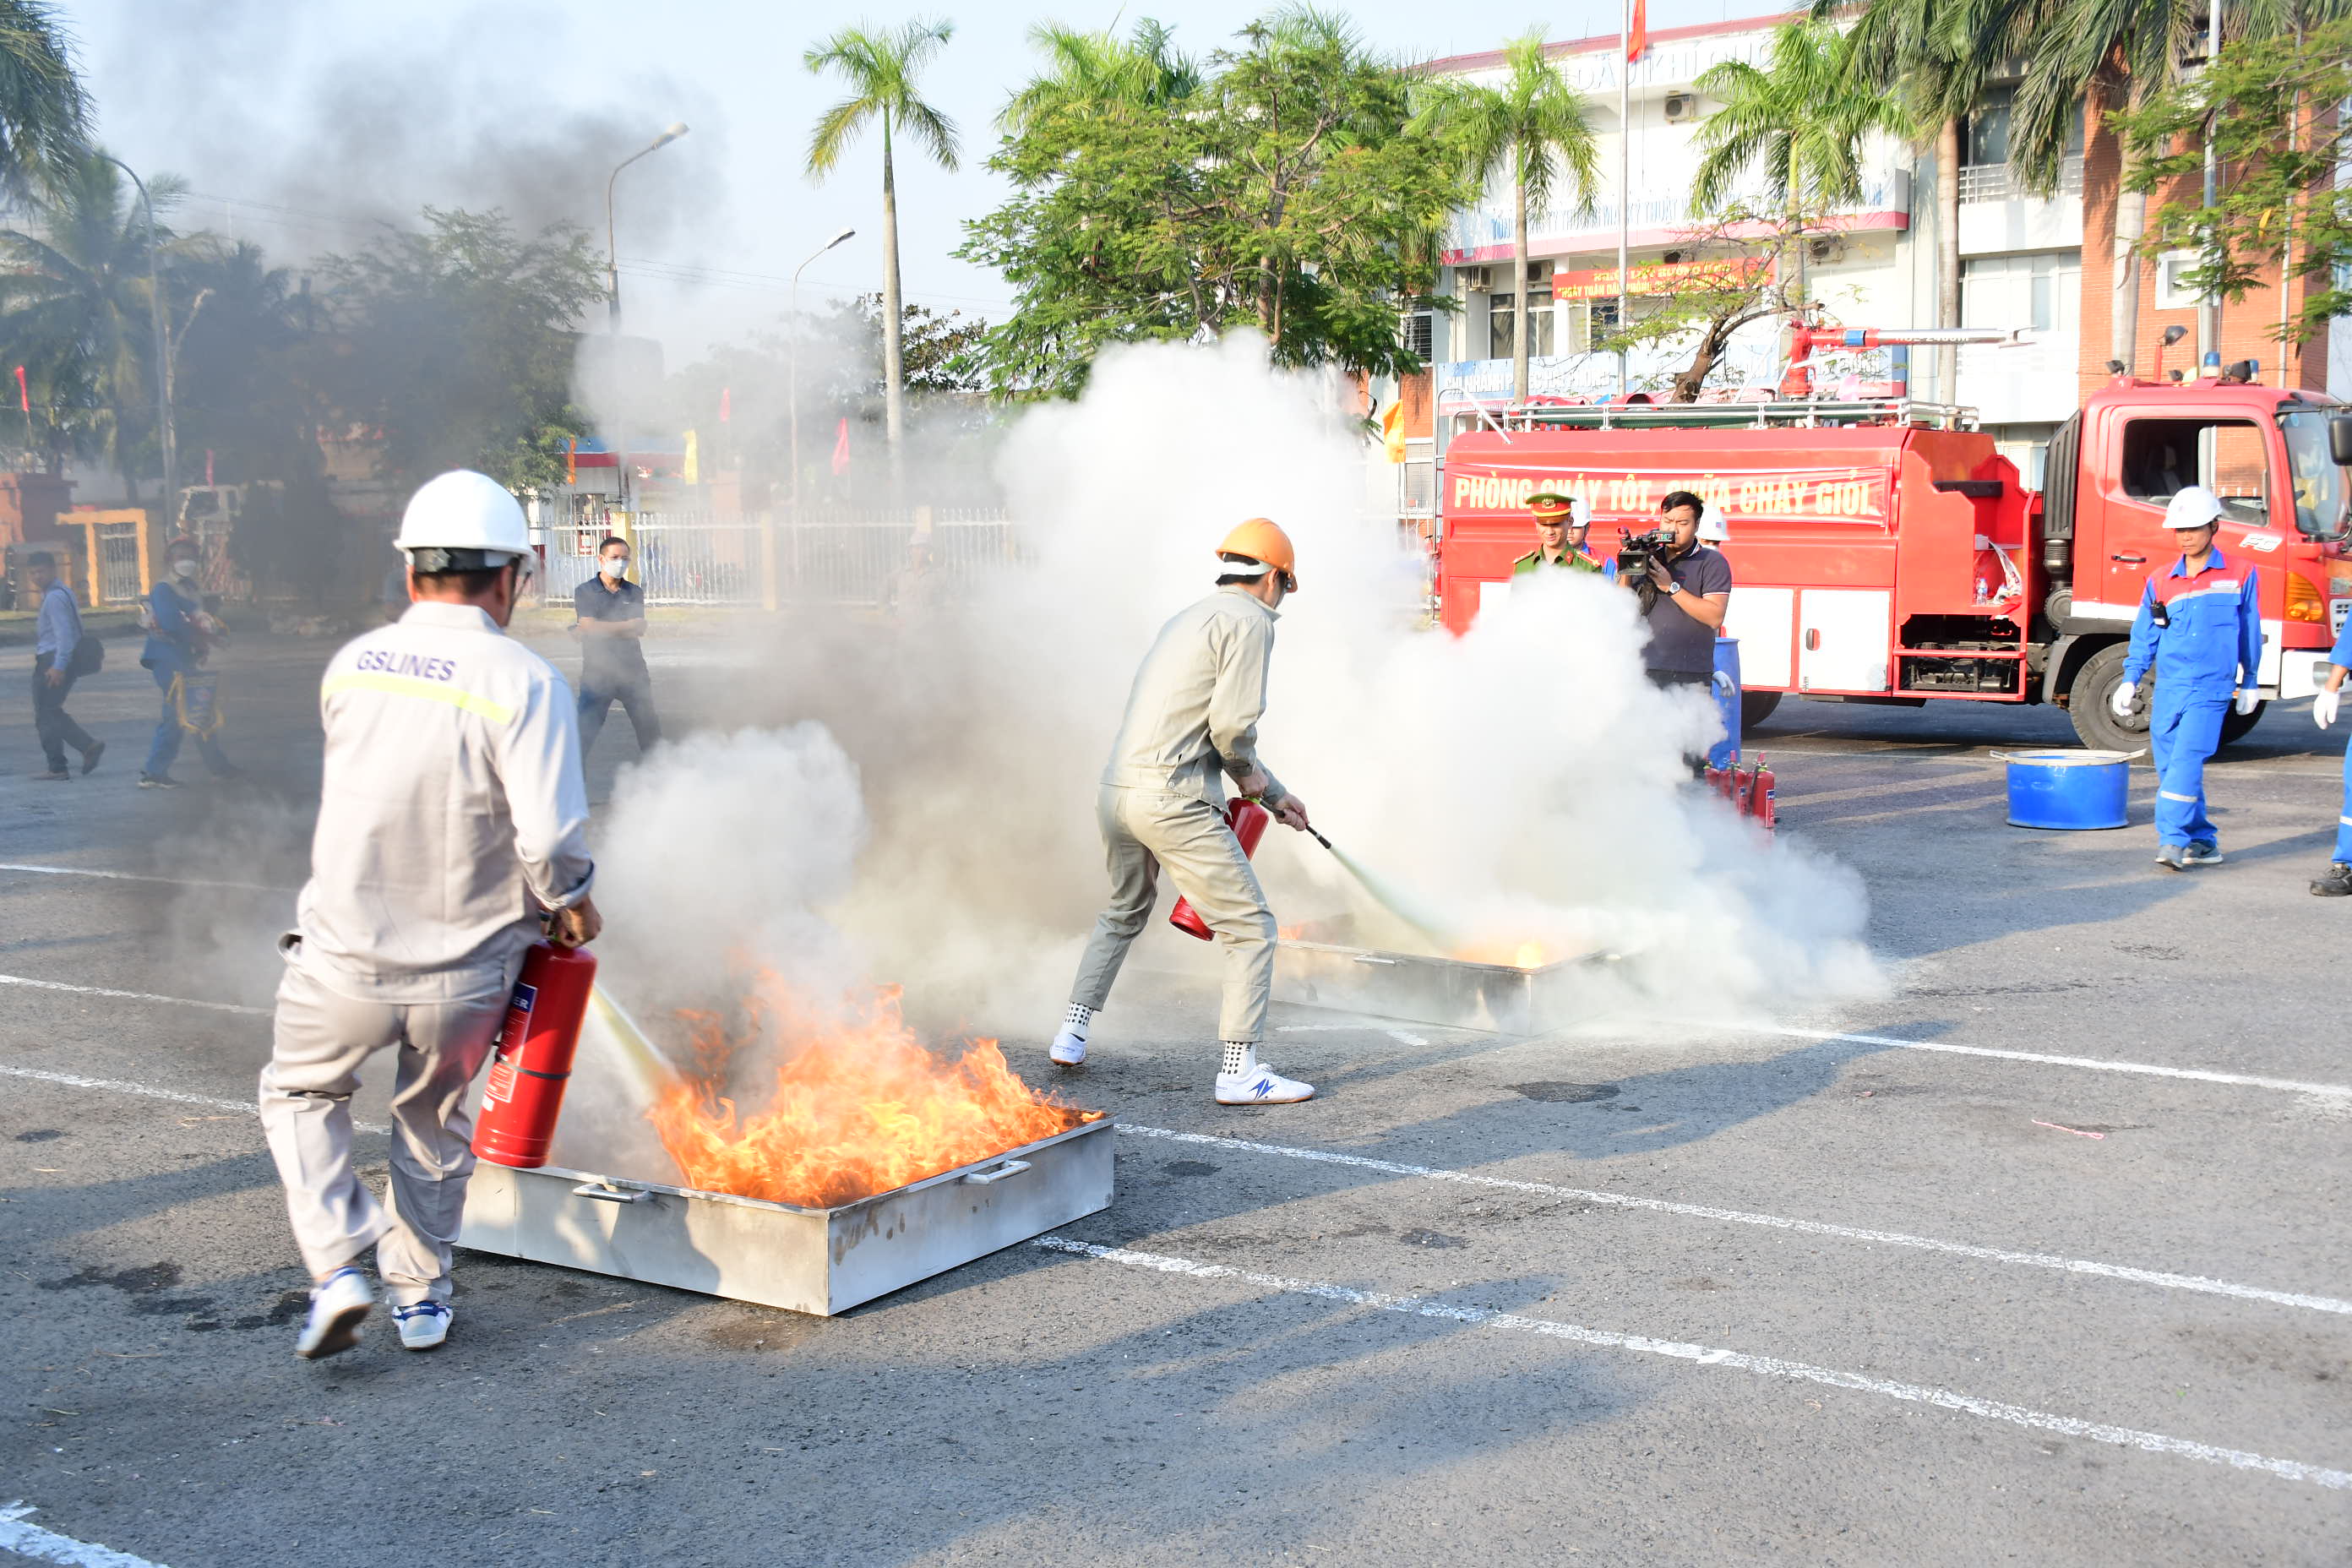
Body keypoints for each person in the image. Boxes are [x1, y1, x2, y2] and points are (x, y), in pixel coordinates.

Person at [259, 471, 600, 1360]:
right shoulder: (524, 681)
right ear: (511, 579)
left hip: (340, 959)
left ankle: (337, 1265)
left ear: (412, 575)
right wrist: (570, 901)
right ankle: (420, 1297)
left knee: (300, 1092)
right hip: (462, 975)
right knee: (434, 1122)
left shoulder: (352, 665)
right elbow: (552, 836)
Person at [1050, 519, 1318, 1105]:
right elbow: (1230, 729)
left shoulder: (1189, 617)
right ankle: (1239, 1071)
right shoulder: (1250, 621)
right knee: (1250, 928)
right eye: (1286, 587)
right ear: (1275, 577)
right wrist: (1264, 792)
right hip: (1172, 800)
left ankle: (1071, 1031)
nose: (1281, 599)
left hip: (1116, 792)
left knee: (1124, 910)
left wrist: (1276, 794)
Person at [2110, 484, 2262, 873]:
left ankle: (2173, 841)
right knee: (2170, 770)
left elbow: (2249, 628)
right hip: (2170, 688)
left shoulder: (2241, 573)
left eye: (2193, 528)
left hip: (2212, 687)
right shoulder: (2161, 580)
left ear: (2215, 527)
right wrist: (2131, 678)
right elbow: (2147, 633)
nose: (2186, 536)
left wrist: (2250, 680)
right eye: (2179, 530)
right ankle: (2204, 841)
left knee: (2187, 762)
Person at [1630, 490, 1734, 772]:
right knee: (1642, 759)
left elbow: (1714, 616)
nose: (1672, 529)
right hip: (1644, 673)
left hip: (1689, 676)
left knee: (1688, 762)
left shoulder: (1712, 562)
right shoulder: (1648, 556)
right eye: (1667, 520)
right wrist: (1630, 568)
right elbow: (1619, 608)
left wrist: (1670, 586)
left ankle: (1692, 816)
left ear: (1696, 526)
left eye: (1682, 523)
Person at [138, 535, 236, 787]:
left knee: (199, 709)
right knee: (178, 713)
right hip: (166, 656)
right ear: (170, 559)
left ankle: (218, 766)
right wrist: (201, 634)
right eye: (181, 556)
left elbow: (199, 618)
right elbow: (171, 623)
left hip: (183, 657)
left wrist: (202, 644)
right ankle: (154, 773)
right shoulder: (164, 587)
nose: (187, 561)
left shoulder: (192, 588)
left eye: (191, 556)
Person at [571, 535, 661, 760]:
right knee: (581, 737)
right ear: (601, 559)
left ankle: (663, 787)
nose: (620, 563)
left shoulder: (634, 592)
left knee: (651, 736)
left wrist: (596, 627)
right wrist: (624, 626)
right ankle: (573, 790)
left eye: (625, 558)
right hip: (598, 676)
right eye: (614, 557)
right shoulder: (585, 591)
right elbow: (589, 627)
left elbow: (637, 629)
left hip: (634, 675)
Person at [26, 551, 104, 780]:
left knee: (46, 714)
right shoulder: (63, 592)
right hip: (58, 659)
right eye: (32, 573)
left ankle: (61, 765)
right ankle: (78, 752)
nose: (36, 576)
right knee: (50, 712)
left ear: (52, 570)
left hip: (53, 660)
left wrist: (58, 666)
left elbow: (65, 635)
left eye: (41, 571)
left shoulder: (54, 598)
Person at [1511, 492, 1604, 576]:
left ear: (1570, 522)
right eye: (1544, 524)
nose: (1549, 531)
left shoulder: (1588, 568)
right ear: (1536, 524)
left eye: (1556, 524)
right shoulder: (1523, 567)